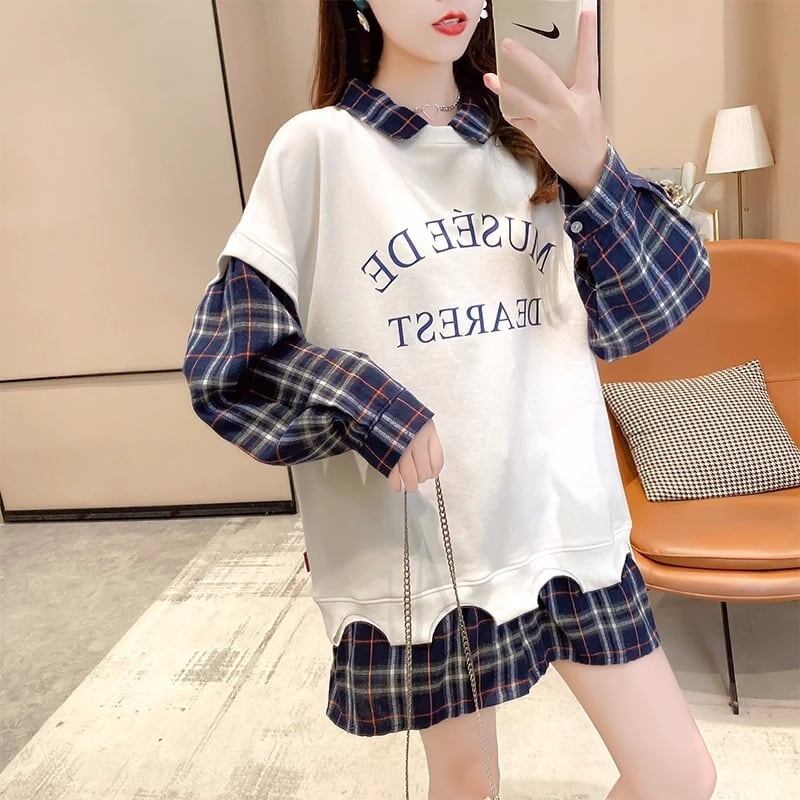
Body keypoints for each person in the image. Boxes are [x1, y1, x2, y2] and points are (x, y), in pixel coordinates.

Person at [182, 2, 717, 798]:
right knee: (467, 782)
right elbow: (230, 361)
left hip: (568, 525)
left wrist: (592, 167)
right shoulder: (317, 150)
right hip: (434, 543)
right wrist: (368, 403)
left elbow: (656, 306)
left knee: (677, 774)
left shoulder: (532, 139)